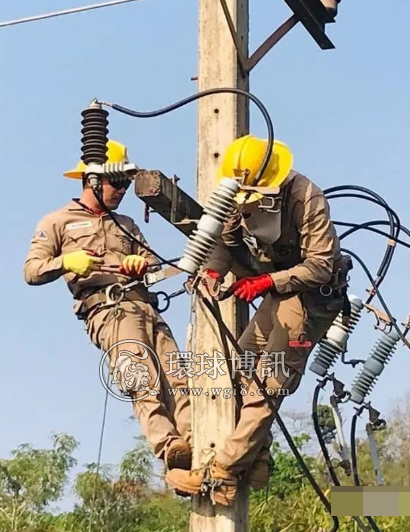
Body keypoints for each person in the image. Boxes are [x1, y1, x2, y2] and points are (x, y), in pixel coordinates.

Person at [165, 135, 351, 505]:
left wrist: (267, 281)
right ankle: (257, 458)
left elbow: (321, 265)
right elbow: (224, 241)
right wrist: (215, 272)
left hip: (313, 296)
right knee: (240, 367)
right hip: (279, 293)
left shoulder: (304, 197)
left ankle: (223, 470)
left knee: (269, 383)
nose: (245, 207)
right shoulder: (236, 191)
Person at [23, 140, 192, 471]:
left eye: (126, 183)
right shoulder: (57, 222)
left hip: (145, 307)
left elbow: (153, 264)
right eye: (117, 182)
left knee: (180, 379)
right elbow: (31, 271)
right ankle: (169, 446)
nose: (123, 190)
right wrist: (66, 261)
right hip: (108, 310)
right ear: (93, 181)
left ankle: (195, 443)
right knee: (140, 377)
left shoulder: (126, 224)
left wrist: (141, 264)